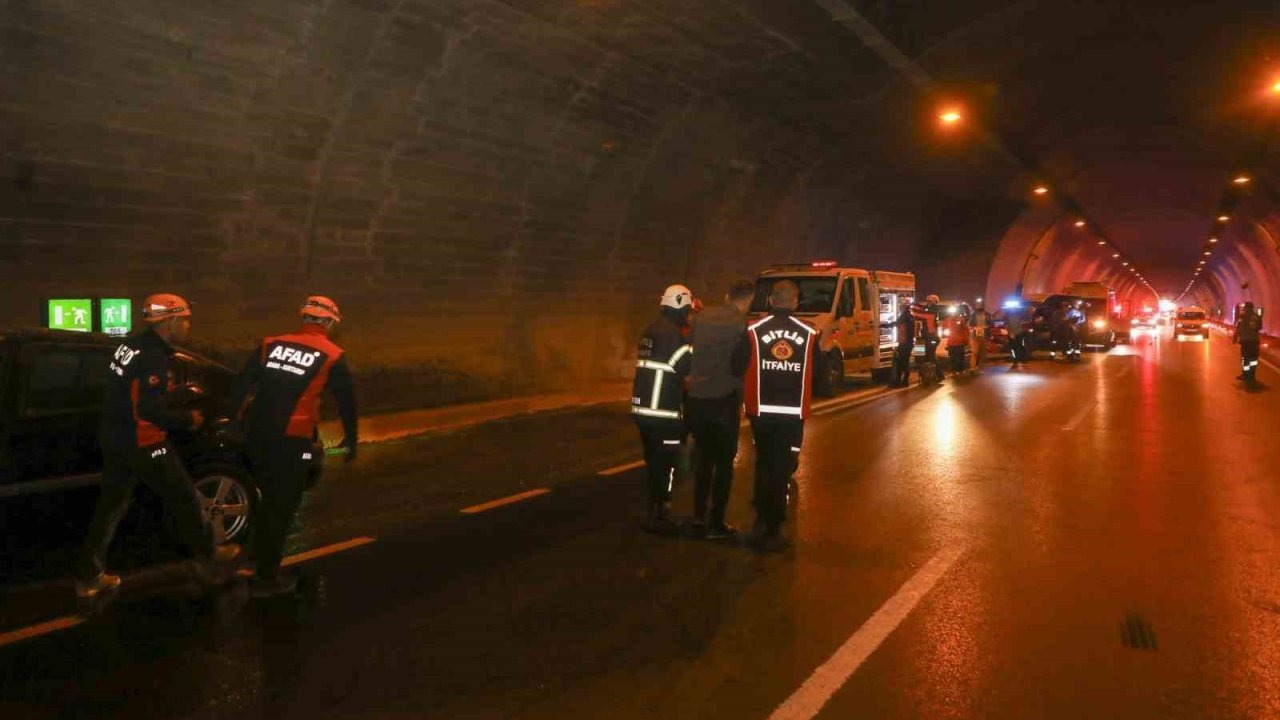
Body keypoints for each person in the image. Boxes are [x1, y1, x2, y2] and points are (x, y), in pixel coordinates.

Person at [76, 293, 240, 599]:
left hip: (115, 437)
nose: (189, 326)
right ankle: (210, 558)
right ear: (171, 321)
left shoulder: (131, 345)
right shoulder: (153, 356)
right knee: (185, 497)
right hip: (142, 440)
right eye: (186, 319)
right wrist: (186, 418)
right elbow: (149, 410)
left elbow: (125, 392)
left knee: (111, 507)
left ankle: (89, 577)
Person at [232, 296, 358, 597]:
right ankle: (265, 578)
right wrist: (350, 440)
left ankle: (250, 560)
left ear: (304, 318)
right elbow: (346, 403)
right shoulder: (332, 354)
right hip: (292, 439)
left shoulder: (270, 343)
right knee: (283, 505)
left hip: (256, 434)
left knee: (265, 498)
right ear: (328, 322)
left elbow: (241, 385)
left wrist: (235, 424)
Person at [741, 280, 816, 552]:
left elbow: (738, 364)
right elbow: (816, 372)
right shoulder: (809, 333)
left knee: (763, 463)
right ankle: (776, 526)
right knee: (783, 467)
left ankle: (760, 522)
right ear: (795, 302)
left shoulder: (752, 331)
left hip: (761, 409)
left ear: (771, 300)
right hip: (792, 411)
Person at [685, 279, 753, 539]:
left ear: (726, 296)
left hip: (698, 399)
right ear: (747, 301)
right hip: (724, 402)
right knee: (724, 464)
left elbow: (688, 349)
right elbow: (740, 365)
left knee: (702, 460)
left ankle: (698, 517)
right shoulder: (741, 325)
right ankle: (716, 523)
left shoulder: (701, 318)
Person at [631, 284, 695, 535]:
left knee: (653, 460)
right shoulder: (674, 335)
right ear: (680, 305)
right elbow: (687, 369)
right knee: (666, 463)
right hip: (663, 412)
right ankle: (660, 513)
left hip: (643, 409)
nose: (688, 315)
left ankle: (653, 509)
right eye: (688, 309)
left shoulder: (650, 330)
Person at [1233, 301, 1262, 383]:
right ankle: (1252, 376)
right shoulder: (1257, 316)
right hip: (1254, 342)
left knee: (1245, 359)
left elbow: (1238, 328)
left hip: (1245, 342)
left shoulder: (1241, 316)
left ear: (1245, 308)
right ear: (1252, 308)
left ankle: (1245, 375)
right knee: (1253, 359)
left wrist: (1235, 338)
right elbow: (1259, 328)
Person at [890, 298, 915, 387]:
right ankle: (903, 381)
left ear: (904, 308)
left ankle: (902, 381)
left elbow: (896, 323)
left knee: (902, 362)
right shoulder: (909, 316)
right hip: (906, 342)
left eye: (901, 307)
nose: (900, 308)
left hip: (905, 343)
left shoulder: (905, 316)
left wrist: (883, 325)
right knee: (904, 362)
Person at [943, 309, 970, 375]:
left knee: (955, 357)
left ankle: (956, 370)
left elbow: (965, 331)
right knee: (957, 357)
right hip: (955, 342)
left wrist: (966, 341)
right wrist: (967, 341)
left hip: (955, 342)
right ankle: (958, 370)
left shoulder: (956, 320)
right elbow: (965, 331)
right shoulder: (958, 320)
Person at [969, 300, 991, 372]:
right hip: (975, 336)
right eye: (978, 305)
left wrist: (986, 327)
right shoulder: (973, 315)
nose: (979, 306)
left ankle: (980, 368)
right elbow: (970, 325)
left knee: (982, 353)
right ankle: (973, 367)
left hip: (984, 336)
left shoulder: (987, 314)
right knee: (975, 352)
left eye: (980, 305)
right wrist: (975, 328)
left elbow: (991, 323)